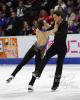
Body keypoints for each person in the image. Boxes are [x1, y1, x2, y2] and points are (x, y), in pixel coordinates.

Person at [6, 19, 58, 92]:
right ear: (43, 25)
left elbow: (47, 28)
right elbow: (55, 29)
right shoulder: (46, 32)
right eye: (45, 23)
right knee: (37, 70)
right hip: (40, 52)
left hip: (34, 48)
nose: (47, 23)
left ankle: (12, 75)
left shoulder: (37, 30)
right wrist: (56, 21)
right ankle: (30, 85)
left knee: (23, 62)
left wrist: (49, 25)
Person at [29, 10, 68, 92]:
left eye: (55, 17)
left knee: (59, 65)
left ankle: (55, 85)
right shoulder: (55, 23)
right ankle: (38, 72)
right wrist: (44, 30)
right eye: (53, 17)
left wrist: (54, 31)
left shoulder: (65, 23)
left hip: (62, 48)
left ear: (59, 16)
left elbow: (63, 33)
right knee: (46, 56)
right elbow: (50, 29)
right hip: (55, 45)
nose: (54, 19)